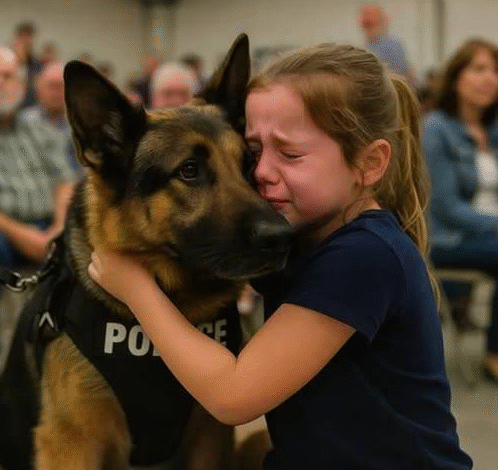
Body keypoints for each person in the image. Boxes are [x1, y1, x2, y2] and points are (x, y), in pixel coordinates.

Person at [88, 43, 472, 469]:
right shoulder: (310, 235)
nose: (262, 172)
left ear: (369, 163)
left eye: (290, 154)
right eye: (253, 152)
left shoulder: (363, 255)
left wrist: (136, 288)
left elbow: (233, 396)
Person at [0, 47, 76, 385]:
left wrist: (58, 228)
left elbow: (65, 184)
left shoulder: (41, 132)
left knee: (88, 237)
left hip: (48, 224)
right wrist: (20, 234)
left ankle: (72, 349)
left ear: (21, 84)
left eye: (8, 76)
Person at [422, 38, 498, 382]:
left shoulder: (492, 130)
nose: (490, 78)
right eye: (479, 69)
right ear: (456, 79)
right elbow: (446, 207)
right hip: (450, 238)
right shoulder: (437, 127)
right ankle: (494, 354)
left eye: (495, 71)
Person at [21, 61, 81, 175]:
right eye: (52, 86)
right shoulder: (22, 123)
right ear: (38, 88)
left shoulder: (80, 127)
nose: (57, 92)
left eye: (61, 86)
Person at [359, 4, 414, 85]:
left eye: (369, 15)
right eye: (364, 15)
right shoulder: (367, 45)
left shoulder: (393, 45)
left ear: (381, 20)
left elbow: (400, 76)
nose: (365, 19)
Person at [12, 21, 44, 108]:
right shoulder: (7, 62)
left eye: (29, 37)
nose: (26, 41)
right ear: (17, 38)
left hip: (31, 106)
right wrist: (19, 62)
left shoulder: (38, 64)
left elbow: (38, 87)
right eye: (22, 37)